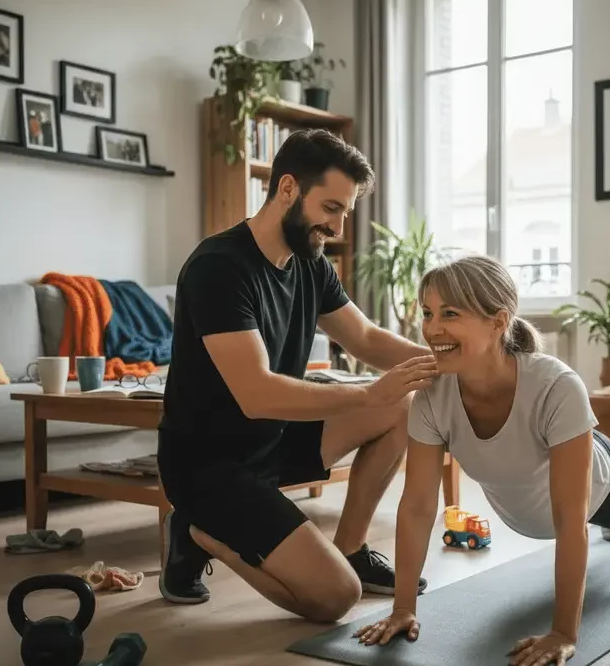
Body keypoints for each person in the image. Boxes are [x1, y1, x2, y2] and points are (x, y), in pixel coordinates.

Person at [353, 255, 610, 666]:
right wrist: (403, 608)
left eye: (450, 314)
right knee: (595, 519)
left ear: (498, 322)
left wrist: (563, 633)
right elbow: (416, 507)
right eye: (428, 313)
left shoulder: (556, 385)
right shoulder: (432, 396)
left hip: (603, 487)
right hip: (537, 509)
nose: (431, 329)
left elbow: (570, 518)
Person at [157, 128, 438, 622]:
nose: (338, 227)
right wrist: (367, 393)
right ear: (288, 188)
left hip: (275, 443)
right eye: (331, 208)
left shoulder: (310, 264)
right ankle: (200, 534)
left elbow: (365, 338)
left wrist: (446, 365)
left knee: (401, 403)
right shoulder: (218, 267)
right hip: (210, 469)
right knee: (337, 598)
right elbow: (257, 394)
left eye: (345, 212)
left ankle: (351, 547)